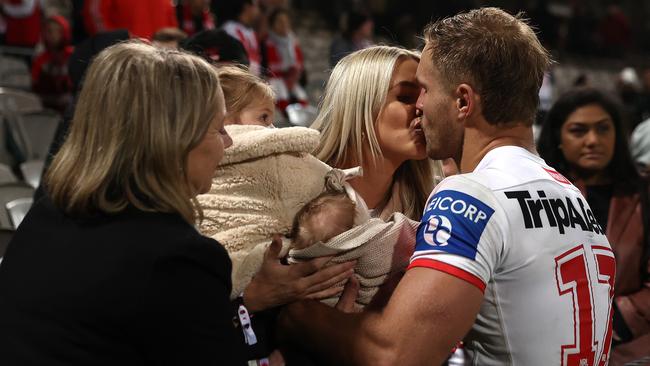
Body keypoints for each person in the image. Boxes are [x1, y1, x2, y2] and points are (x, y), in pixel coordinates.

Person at [278, 8, 615, 365]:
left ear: (463, 101)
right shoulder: (570, 194)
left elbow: (394, 354)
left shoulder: (470, 195)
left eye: (423, 90)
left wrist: (292, 313)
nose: (420, 107)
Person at [0, 41, 354, 365]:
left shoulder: (45, 218)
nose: (229, 144)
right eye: (218, 129)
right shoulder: (176, 257)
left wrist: (249, 300)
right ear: (175, 140)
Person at [538, 87, 650, 365]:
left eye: (603, 129)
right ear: (559, 138)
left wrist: (613, 322)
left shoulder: (645, 193)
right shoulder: (540, 195)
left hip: (633, 350)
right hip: (551, 345)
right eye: (578, 130)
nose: (592, 140)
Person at [313, 45, 442, 222]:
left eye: (427, 97)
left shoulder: (435, 204)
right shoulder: (297, 186)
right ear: (358, 105)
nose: (422, 107)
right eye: (406, 97)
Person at [264, 7, 308, 112]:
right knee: (280, 90)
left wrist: (295, 72)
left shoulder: (293, 40)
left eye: (286, 21)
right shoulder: (268, 42)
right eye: (279, 21)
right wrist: (286, 71)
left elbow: (299, 61)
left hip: (293, 78)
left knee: (301, 95)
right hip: (277, 78)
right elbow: (269, 65)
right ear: (273, 24)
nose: (283, 24)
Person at [31, 14, 74, 114]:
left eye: (57, 31)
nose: (53, 35)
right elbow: (35, 85)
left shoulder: (72, 55)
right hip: (46, 107)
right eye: (49, 31)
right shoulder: (41, 59)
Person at [219, 0, 263, 76]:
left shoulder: (252, 32)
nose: (258, 10)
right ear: (247, 7)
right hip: (236, 79)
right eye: (256, 6)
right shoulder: (229, 28)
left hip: (252, 80)